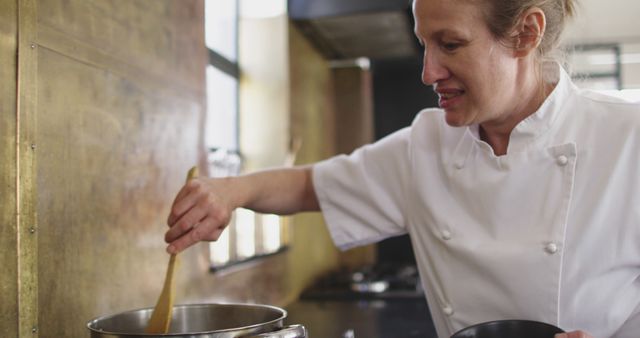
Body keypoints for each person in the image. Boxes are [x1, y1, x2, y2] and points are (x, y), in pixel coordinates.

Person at [164, 0, 640, 337]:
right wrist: (230, 190)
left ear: (525, 34)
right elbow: (312, 186)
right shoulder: (428, 144)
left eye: (450, 44)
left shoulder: (627, 138)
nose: (428, 72)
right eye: (424, 44)